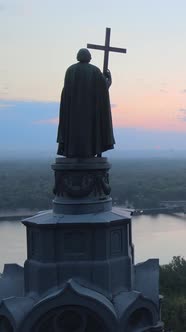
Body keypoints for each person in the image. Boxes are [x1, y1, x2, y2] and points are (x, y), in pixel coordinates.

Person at [57, 48, 115, 157]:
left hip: (73, 113)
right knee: (91, 131)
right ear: (89, 57)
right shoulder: (94, 71)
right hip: (90, 113)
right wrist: (108, 81)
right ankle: (92, 150)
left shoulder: (70, 70)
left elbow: (65, 94)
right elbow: (102, 91)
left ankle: (71, 151)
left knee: (74, 132)